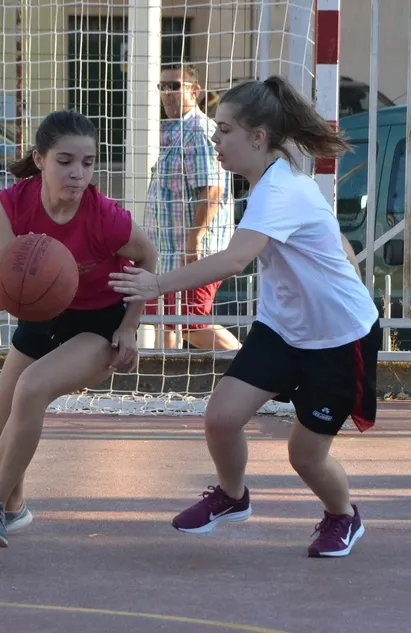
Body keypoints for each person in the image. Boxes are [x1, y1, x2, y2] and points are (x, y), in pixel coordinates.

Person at [109, 76, 382, 558]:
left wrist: (156, 285)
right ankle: (232, 498)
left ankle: (343, 515)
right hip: (283, 329)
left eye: (224, 130)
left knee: (305, 457)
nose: (215, 139)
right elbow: (336, 240)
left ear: (257, 137)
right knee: (221, 419)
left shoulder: (280, 190)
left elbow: (235, 260)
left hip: (338, 340)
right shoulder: (274, 183)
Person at [0, 110, 158, 548]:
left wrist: (130, 326)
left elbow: (148, 256)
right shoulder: (14, 203)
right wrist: (8, 289)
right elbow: (1, 277)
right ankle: (13, 509)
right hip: (41, 316)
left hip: (98, 324)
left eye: (87, 163)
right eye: (65, 161)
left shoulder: (105, 217)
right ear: (40, 160)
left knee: (32, 388)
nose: (78, 173)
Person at [143, 63, 239, 352]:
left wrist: (194, 240)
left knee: (191, 323)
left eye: (175, 86)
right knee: (165, 321)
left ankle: (253, 366)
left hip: (191, 253)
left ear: (195, 92)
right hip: (167, 253)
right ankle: (164, 374)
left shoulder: (198, 131)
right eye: (163, 87)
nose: (167, 93)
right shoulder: (171, 131)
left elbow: (212, 190)